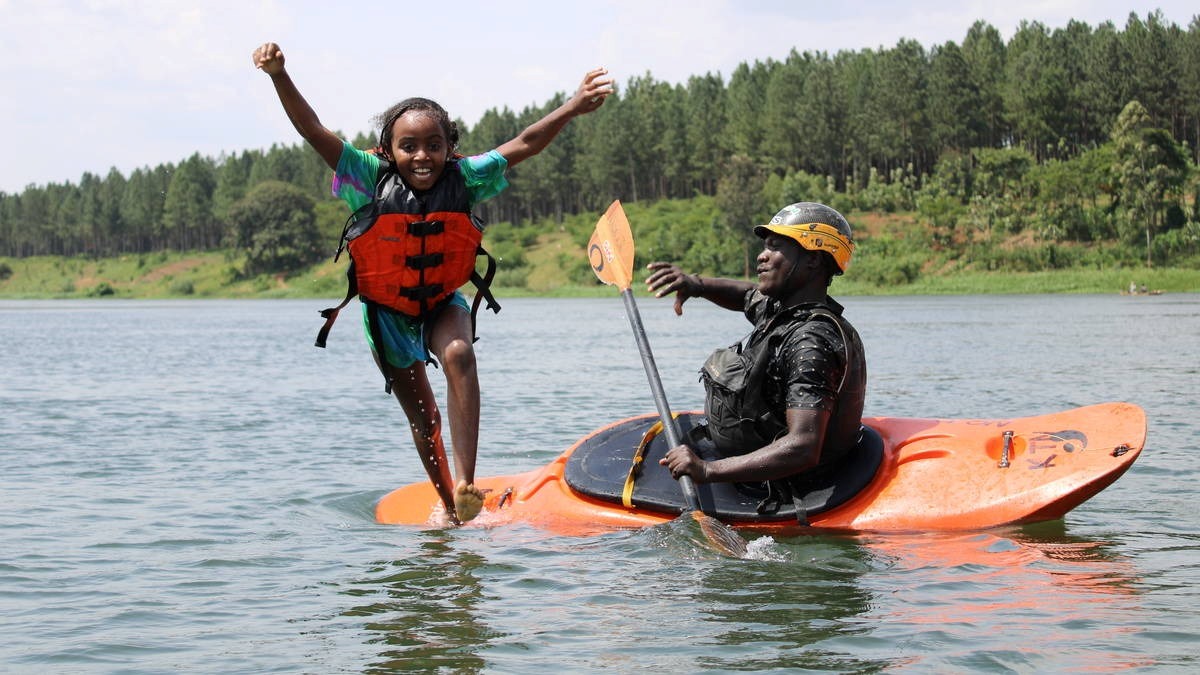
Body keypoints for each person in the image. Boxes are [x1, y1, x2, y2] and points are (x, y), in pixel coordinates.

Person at [252, 42, 612, 524]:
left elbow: (524, 143)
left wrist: (572, 106)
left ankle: (466, 482)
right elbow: (312, 129)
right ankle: (449, 505)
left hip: (442, 301)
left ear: (449, 147)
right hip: (387, 315)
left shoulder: (465, 176)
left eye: (434, 145)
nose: (422, 156)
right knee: (424, 421)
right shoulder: (365, 174)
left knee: (460, 354)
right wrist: (279, 75)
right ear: (388, 150)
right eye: (409, 146)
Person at [646, 202, 867, 505]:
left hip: (787, 487)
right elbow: (747, 295)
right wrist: (695, 284)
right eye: (765, 246)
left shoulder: (810, 342)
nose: (762, 256)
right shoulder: (783, 309)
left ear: (814, 260)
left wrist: (707, 470)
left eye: (776, 247)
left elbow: (804, 446)